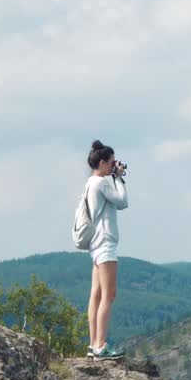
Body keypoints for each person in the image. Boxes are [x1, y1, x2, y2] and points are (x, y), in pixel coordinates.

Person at [83, 140, 129, 359]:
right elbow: (122, 202)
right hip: (105, 242)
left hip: (95, 243)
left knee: (96, 294)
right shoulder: (102, 183)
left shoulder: (90, 183)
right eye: (111, 163)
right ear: (102, 162)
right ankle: (101, 345)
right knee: (109, 295)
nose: (113, 166)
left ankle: (93, 344)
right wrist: (118, 178)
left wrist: (114, 176)